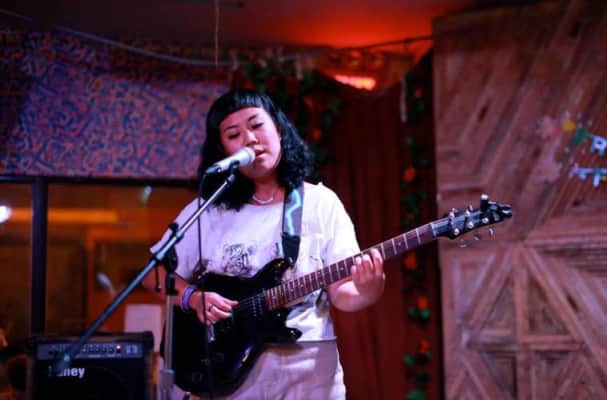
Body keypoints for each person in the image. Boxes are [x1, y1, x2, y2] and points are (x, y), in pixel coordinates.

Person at [143, 88, 385, 399]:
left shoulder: (320, 203)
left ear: (279, 130)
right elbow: (153, 273)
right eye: (234, 134)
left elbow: (343, 294)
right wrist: (192, 297)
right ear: (223, 149)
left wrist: (368, 288)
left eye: (257, 125)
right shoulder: (209, 210)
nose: (249, 139)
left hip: (309, 373)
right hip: (228, 372)